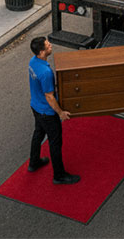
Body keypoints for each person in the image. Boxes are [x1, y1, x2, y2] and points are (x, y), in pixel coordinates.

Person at [27, 36, 80, 184]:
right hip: (47, 112)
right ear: (42, 51)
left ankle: (34, 162)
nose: (50, 45)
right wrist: (60, 112)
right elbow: (50, 97)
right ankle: (59, 175)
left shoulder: (33, 62)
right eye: (48, 45)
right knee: (55, 143)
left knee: (38, 133)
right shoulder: (46, 73)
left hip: (36, 106)